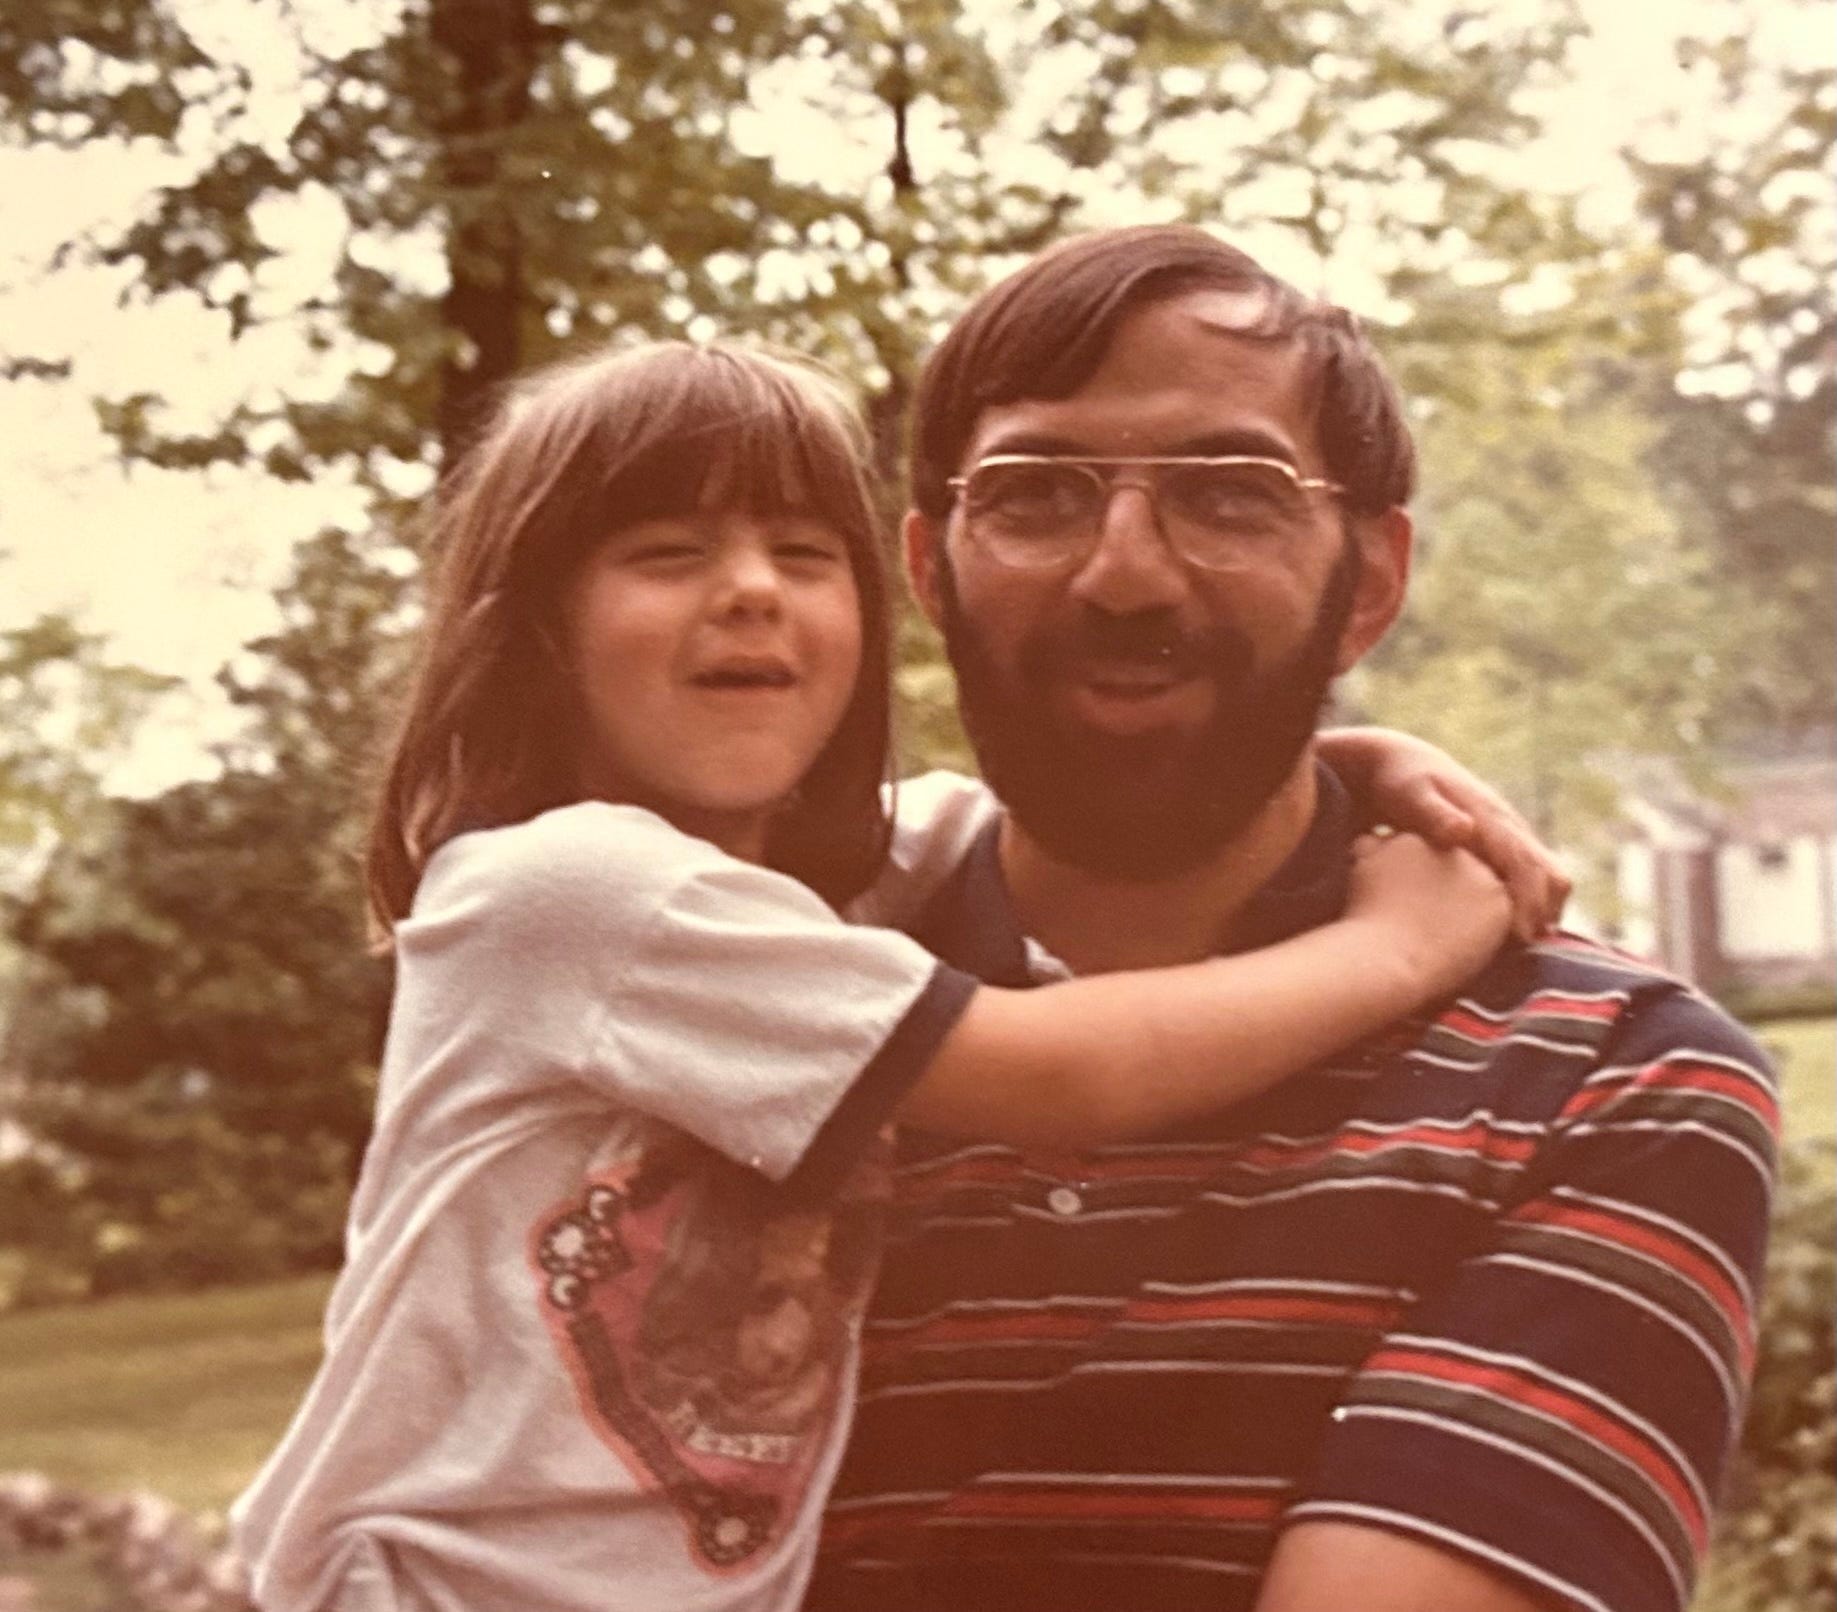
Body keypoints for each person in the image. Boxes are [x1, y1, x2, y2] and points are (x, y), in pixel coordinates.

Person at [228, 339, 1557, 1612]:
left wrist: (1355, 762)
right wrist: (1393, 949)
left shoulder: (826, 886)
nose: (750, 591)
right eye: (668, 553)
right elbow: (1064, 1076)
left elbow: (1085, 808)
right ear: (536, 633)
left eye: (805, 555)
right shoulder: (568, 892)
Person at [805, 227, 1778, 1612]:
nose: (1124, 575)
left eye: (1229, 495)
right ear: (930, 566)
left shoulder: (1603, 1077)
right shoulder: (746, 1006)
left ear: (1367, 582)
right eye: (1036, 494)